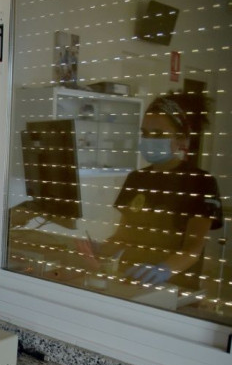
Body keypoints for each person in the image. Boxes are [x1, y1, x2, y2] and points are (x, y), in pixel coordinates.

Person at [78, 92, 223, 289]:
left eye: (158, 134)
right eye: (145, 133)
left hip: (174, 286)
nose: (148, 140)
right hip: (130, 278)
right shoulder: (137, 179)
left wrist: (164, 269)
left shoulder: (200, 182)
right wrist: (100, 249)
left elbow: (193, 247)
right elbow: (123, 236)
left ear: (181, 138)